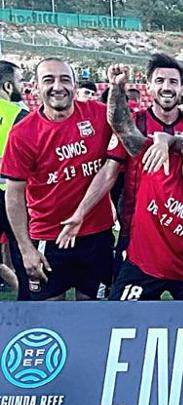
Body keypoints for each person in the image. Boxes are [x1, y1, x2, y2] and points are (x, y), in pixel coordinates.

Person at [102, 67, 183, 307]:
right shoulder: (156, 159)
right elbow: (121, 125)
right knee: (117, 318)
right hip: (141, 266)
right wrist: (117, 88)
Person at [1, 58, 115, 300]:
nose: (57, 86)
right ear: (36, 87)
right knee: (48, 314)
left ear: (74, 85)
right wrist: (25, 248)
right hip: (48, 237)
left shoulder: (100, 116)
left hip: (96, 235)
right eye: (49, 80)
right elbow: (14, 194)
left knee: (94, 313)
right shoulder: (23, 133)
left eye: (65, 79)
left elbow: (135, 128)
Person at [0, 60, 30, 292]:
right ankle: (27, 310)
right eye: (19, 81)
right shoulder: (18, 115)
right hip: (11, 195)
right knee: (22, 252)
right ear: (8, 86)